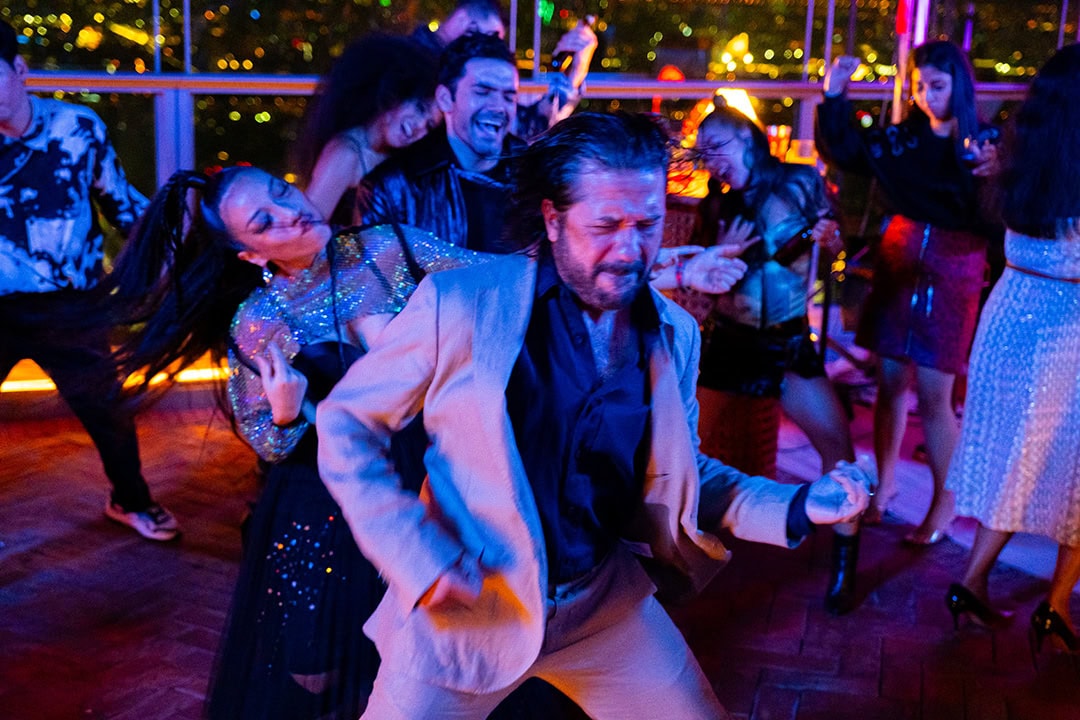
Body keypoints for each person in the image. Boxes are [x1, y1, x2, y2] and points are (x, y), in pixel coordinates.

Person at [316, 112, 871, 719]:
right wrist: (413, 551)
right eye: (605, 225)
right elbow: (348, 422)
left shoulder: (675, 333)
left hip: (602, 609)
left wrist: (798, 504)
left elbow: (684, 474)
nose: (630, 250)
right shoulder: (461, 303)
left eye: (648, 224)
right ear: (553, 218)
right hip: (464, 619)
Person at [99, 165, 486, 718]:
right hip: (324, 497)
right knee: (315, 662)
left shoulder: (389, 246)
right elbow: (269, 444)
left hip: (436, 467)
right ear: (251, 254)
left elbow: (497, 286)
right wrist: (284, 415)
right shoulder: (258, 323)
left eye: (283, 193)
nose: (292, 213)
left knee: (441, 641)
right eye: (265, 222)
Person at [0, 20, 177, 541]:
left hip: (73, 306)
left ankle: (131, 501)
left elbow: (120, 203)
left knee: (107, 411)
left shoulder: (77, 128)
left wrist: (174, 247)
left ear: (20, 70)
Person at [817, 41, 999, 544]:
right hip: (900, 257)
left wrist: (996, 173)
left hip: (954, 267)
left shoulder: (986, 144)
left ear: (959, 85)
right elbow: (849, 151)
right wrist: (834, 94)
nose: (926, 96)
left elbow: (1004, 211)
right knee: (890, 381)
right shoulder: (901, 139)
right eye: (919, 86)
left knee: (936, 395)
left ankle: (944, 504)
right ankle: (885, 486)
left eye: (937, 86)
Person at [691, 103, 862, 615]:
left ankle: (844, 565)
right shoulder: (715, 205)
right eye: (702, 153)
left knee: (837, 444)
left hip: (787, 341)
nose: (709, 161)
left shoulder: (799, 182)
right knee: (683, 443)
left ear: (748, 139)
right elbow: (701, 280)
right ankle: (674, 552)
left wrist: (832, 243)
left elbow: (834, 247)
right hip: (730, 340)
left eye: (715, 147)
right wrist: (719, 255)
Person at [943, 44, 1080, 654]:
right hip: (1067, 325)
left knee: (1013, 459)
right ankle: (1055, 608)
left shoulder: (1020, 151)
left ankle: (970, 582)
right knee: (1074, 472)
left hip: (1010, 313)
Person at [297, 34, 440, 225]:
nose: (420, 126)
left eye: (430, 126)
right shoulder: (346, 153)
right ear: (395, 94)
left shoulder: (398, 159)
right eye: (420, 108)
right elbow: (307, 232)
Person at [410, 0, 598, 141]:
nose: (490, 50)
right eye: (488, 39)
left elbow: (528, 126)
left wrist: (577, 70)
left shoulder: (422, 59)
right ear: (462, 21)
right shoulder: (420, 70)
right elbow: (529, 128)